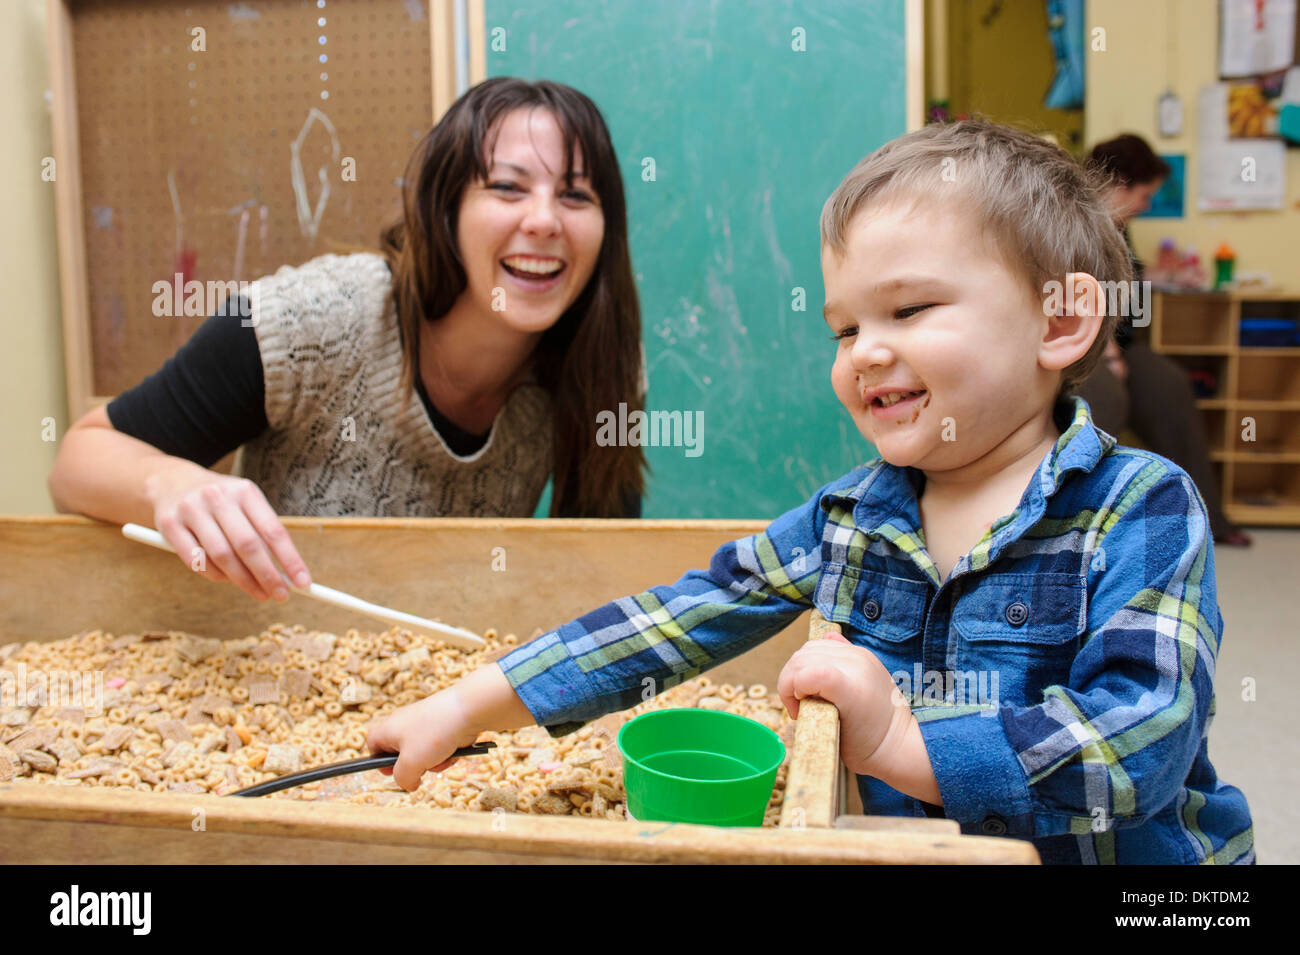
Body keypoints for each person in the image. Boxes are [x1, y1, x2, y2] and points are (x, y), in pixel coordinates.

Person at [366, 119, 1254, 865]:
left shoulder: (1141, 504)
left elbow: (1145, 737)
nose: (863, 350)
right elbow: (680, 616)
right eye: (844, 326)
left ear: (1060, 322)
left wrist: (904, 745)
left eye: (907, 312)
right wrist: (466, 704)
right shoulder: (851, 517)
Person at [48, 78, 647, 602]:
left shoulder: (603, 367)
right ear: (446, 209)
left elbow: (597, 576)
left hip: (455, 693)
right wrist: (172, 483)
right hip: (270, 676)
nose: (544, 220)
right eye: (508, 188)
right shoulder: (310, 321)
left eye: (576, 195)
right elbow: (76, 464)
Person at [1079, 133, 1250, 546]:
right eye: (1144, 194)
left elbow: (1126, 284)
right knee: (1107, 399)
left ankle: (1204, 519)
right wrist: (1110, 354)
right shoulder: (1079, 223)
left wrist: (1166, 275)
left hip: (1121, 344)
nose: (1147, 204)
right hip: (1087, 348)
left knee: (1170, 386)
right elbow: (1084, 296)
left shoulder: (1119, 227)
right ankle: (1085, 527)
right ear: (1119, 184)